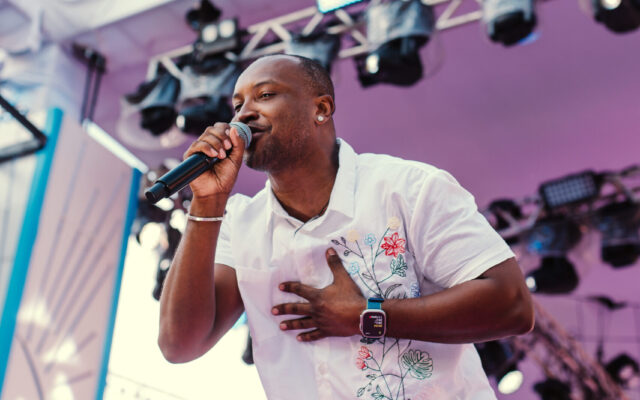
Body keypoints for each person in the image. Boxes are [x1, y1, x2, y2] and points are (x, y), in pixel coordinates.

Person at [158, 54, 534, 399]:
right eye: (237, 106)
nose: (243, 116)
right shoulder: (238, 223)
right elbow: (179, 344)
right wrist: (206, 202)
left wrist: (367, 316)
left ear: (321, 108)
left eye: (265, 95)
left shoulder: (410, 189)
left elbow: (512, 304)